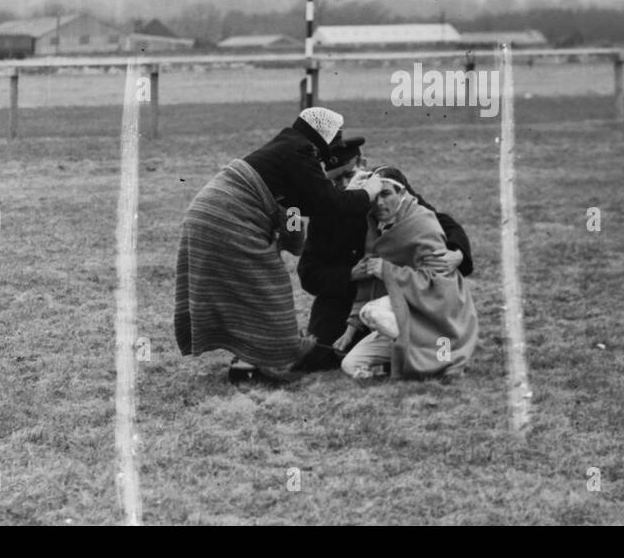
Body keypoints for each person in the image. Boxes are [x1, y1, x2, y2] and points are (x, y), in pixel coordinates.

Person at [173, 107, 383, 380]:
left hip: (206, 215)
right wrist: (369, 192)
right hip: (227, 218)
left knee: (248, 290)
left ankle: (250, 358)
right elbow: (330, 204)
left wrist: (292, 240)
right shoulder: (300, 152)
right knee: (269, 287)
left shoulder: (287, 149)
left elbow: (294, 208)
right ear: (324, 136)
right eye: (335, 139)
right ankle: (264, 360)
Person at [297, 139, 473, 371]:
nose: (344, 184)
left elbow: (440, 222)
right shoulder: (323, 209)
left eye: (349, 175)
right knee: (318, 358)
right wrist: (349, 274)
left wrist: (458, 253)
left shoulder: (387, 186)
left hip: (393, 292)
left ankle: (428, 349)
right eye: (335, 179)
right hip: (343, 299)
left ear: (363, 163)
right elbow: (308, 274)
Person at [338, 166, 479, 380]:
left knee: (372, 313)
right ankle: (408, 358)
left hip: (436, 316)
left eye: (386, 194)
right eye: (375, 195)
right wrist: (349, 332)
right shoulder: (372, 224)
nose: (380, 203)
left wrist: (387, 271)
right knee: (350, 364)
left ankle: (433, 357)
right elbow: (366, 283)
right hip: (402, 308)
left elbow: (440, 283)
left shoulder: (422, 222)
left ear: (403, 194)